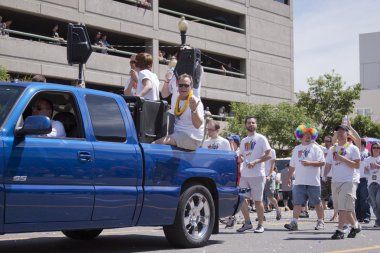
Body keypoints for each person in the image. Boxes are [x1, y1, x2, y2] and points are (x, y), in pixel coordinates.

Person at [284, 124, 325, 231]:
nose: (307, 136)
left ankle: (320, 221)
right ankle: (294, 223)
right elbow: (292, 165)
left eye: (310, 135)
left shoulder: (316, 148)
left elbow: (322, 162)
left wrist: (310, 163)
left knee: (316, 203)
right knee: (297, 203)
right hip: (299, 181)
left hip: (313, 182)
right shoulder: (296, 149)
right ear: (300, 136)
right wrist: (288, 177)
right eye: (305, 134)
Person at [323, 125, 361, 240]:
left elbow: (357, 165)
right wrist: (324, 175)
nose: (339, 133)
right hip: (335, 181)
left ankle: (340, 230)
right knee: (342, 207)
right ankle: (355, 226)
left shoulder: (353, 148)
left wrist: (342, 159)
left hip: (348, 181)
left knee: (343, 206)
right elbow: (328, 164)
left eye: (342, 131)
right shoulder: (332, 149)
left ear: (347, 134)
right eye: (338, 131)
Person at [236, 116, 271, 233]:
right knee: (241, 198)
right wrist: (241, 158)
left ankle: (260, 225)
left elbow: (269, 155)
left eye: (253, 123)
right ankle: (247, 223)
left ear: (256, 125)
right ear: (245, 125)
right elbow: (241, 155)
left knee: (257, 201)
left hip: (258, 175)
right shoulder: (244, 141)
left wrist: (256, 161)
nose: (251, 124)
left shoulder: (261, 138)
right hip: (245, 175)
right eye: (249, 123)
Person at [153, 74, 204, 150]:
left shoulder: (194, 101)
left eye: (186, 85)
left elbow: (198, 125)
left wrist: (194, 110)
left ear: (191, 86)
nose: (183, 88)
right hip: (178, 135)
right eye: (181, 85)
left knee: (155, 144)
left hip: (192, 138)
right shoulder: (178, 99)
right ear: (177, 85)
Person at [160, 47, 203, 134]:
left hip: (190, 113)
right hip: (174, 114)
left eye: (188, 53)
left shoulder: (197, 68)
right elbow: (164, 95)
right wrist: (167, 80)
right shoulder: (174, 71)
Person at [364, 142, 380, 227]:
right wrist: (367, 169)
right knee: (374, 204)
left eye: (378, 148)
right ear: (371, 149)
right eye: (374, 147)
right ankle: (378, 220)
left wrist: (378, 166)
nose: (376, 149)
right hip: (371, 183)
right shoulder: (367, 159)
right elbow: (366, 173)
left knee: (378, 200)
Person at [263, 148, 282, 220]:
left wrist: (270, 174)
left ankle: (277, 210)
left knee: (270, 196)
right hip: (260, 176)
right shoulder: (259, 149)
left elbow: (273, 163)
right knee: (259, 197)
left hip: (269, 175)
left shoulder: (272, 150)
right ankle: (261, 215)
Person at [355, 138, 371, 223]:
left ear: (363, 145)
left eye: (358, 143)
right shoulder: (355, 152)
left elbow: (369, 166)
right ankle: (358, 216)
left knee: (364, 198)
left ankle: (366, 216)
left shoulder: (367, 153)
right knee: (356, 198)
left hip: (365, 178)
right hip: (356, 178)